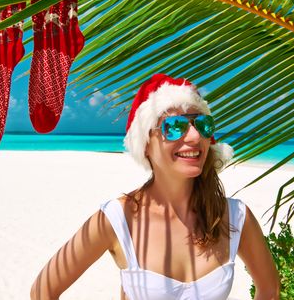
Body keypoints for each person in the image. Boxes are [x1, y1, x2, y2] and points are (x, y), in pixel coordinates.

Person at [30, 73, 279, 300]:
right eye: (173, 127)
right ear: (145, 144)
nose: (194, 137)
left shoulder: (234, 217)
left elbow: (269, 290)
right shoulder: (118, 219)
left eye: (202, 124)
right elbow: (43, 292)